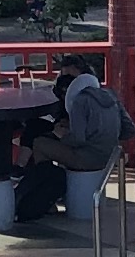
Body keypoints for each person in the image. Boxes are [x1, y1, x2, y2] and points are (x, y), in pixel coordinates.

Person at [20, 60, 127, 221]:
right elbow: (129, 130)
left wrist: (62, 135)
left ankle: (49, 195)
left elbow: (78, 139)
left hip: (88, 157)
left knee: (40, 143)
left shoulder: (78, 101)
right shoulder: (111, 95)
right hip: (111, 156)